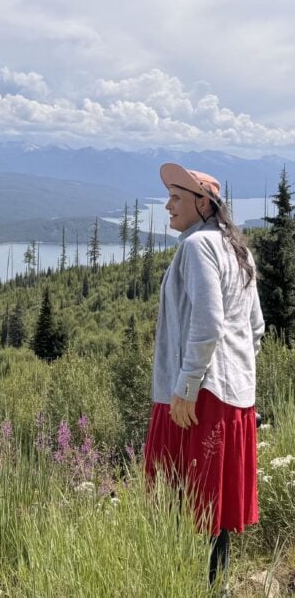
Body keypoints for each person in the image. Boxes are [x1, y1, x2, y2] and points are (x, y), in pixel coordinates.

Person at [144, 163, 265, 588]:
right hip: (232, 396)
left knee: (185, 503)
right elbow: (255, 328)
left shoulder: (198, 246)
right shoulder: (236, 248)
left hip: (196, 397)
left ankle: (192, 587)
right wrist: (234, 373)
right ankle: (218, 588)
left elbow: (209, 323)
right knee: (214, 506)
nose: (168, 205)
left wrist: (188, 385)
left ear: (202, 204)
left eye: (176, 197)